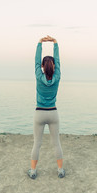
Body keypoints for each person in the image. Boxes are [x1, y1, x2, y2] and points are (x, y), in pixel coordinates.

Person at [28, 35, 65, 179]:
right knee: (56, 143)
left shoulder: (38, 75)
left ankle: (33, 171)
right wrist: (55, 43)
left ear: (42, 66)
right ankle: (60, 170)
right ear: (54, 66)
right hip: (53, 113)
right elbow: (59, 62)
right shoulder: (57, 76)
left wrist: (40, 43)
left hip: (39, 113)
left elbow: (36, 61)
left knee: (37, 144)